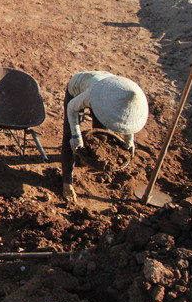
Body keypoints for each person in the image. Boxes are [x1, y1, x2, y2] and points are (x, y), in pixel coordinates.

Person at [61, 71, 148, 203]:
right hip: (78, 90)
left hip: (104, 86)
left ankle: (85, 157)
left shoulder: (128, 98)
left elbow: (127, 119)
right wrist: (76, 136)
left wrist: (129, 141)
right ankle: (67, 182)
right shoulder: (92, 95)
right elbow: (71, 107)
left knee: (101, 136)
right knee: (70, 139)